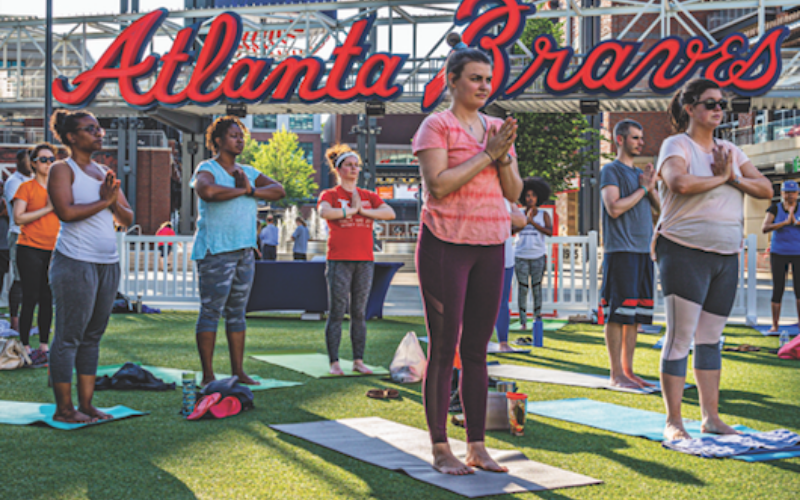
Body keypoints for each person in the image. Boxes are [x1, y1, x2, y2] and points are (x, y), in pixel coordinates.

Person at [412, 39, 522, 475]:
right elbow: (438, 185)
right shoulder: (435, 126)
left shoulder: (496, 128)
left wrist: (504, 156)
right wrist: (488, 156)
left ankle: (477, 446)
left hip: (491, 243)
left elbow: (513, 193)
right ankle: (441, 448)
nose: (483, 86)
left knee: (478, 350)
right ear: (451, 80)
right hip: (444, 243)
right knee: (444, 349)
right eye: (475, 78)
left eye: (488, 80)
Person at [656, 78, 772, 440]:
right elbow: (680, 183)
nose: (718, 110)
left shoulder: (729, 150)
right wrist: (723, 177)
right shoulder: (677, 144)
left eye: (721, 104)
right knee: (680, 337)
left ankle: (711, 417)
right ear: (690, 108)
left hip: (725, 255)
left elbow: (766, 189)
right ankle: (674, 421)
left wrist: (731, 176)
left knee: (711, 337)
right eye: (709, 103)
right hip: (683, 250)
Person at [47, 110, 134, 423]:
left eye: (99, 128)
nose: (99, 133)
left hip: (107, 263)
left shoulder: (103, 171)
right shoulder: (62, 169)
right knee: (69, 336)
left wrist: (111, 201)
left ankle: (86, 405)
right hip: (74, 262)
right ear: (72, 137)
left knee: (93, 336)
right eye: (90, 129)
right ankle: (64, 408)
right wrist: (105, 201)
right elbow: (66, 213)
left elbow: (127, 218)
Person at [191, 116, 285, 386]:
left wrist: (251, 188)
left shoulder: (250, 172)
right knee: (211, 311)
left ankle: (238, 372)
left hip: (245, 250)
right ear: (218, 141)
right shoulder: (207, 167)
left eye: (241, 136)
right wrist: (241, 190)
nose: (240, 140)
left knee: (237, 313)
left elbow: (278, 191)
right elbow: (206, 190)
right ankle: (208, 375)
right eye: (233, 135)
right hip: (216, 250)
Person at [318, 145, 395, 375]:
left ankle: (358, 361)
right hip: (339, 260)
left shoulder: (368, 196)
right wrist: (350, 211)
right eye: (349, 165)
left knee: (359, 312)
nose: (354, 169)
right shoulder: (330, 194)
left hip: (364, 260)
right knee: (337, 311)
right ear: (339, 169)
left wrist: (363, 211)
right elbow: (324, 212)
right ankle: (334, 362)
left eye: (356, 165)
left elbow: (389, 213)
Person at [599, 119, 661, 389]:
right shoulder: (610, 171)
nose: (641, 142)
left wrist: (651, 186)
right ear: (620, 140)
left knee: (634, 317)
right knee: (617, 314)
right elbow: (614, 207)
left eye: (641, 137)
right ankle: (616, 374)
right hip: (621, 251)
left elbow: (661, 210)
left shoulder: (640, 176)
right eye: (635, 137)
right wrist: (643, 189)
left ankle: (629, 370)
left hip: (643, 252)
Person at [13, 143, 61, 354]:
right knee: (30, 296)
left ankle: (43, 345)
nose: (48, 163)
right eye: (43, 159)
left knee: (47, 297)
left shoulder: (58, 189)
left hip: (53, 250)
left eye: (51, 159)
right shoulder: (26, 188)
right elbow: (18, 217)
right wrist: (47, 208)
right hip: (29, 247)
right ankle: (24, 344)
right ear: (33, 163)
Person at [514, 177, 553, 331]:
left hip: (538, 255)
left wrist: (533, 223)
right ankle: (523, 321)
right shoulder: (518, 213)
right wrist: (524, 222)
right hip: (521, 254)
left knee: (536, 288)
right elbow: (511, 231)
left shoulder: (543, 215)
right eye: (527, 196)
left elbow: (549, 232)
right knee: (522, 288)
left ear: (538, 198)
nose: (530, 199)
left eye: (533, 196)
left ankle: (537, 318)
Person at [762, 180, 800, 332]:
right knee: (778, 288)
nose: (789, 196)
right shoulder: (775, 208)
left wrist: (796, 223)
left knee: (799, 289)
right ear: (782, 194)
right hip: (779, 253)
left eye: (792, 193)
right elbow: (765, 227)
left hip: (798, 253)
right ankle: (775, 324)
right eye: (786, 193)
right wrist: (784, 223)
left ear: (797, 194)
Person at [5, 150, 33, 332]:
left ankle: (27, 321)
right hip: (19, 234)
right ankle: (15, 323)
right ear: (19, 162)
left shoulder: (34, 182)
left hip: (35, 235)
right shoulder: (14, 182)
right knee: (19, 279)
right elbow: (20, 212)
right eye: (29, 160)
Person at [495, 200, 527, 352]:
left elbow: (521, 221)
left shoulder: (507, 199)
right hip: (481, 254)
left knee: (502, 302)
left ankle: (503, 342)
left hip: (505, 258)